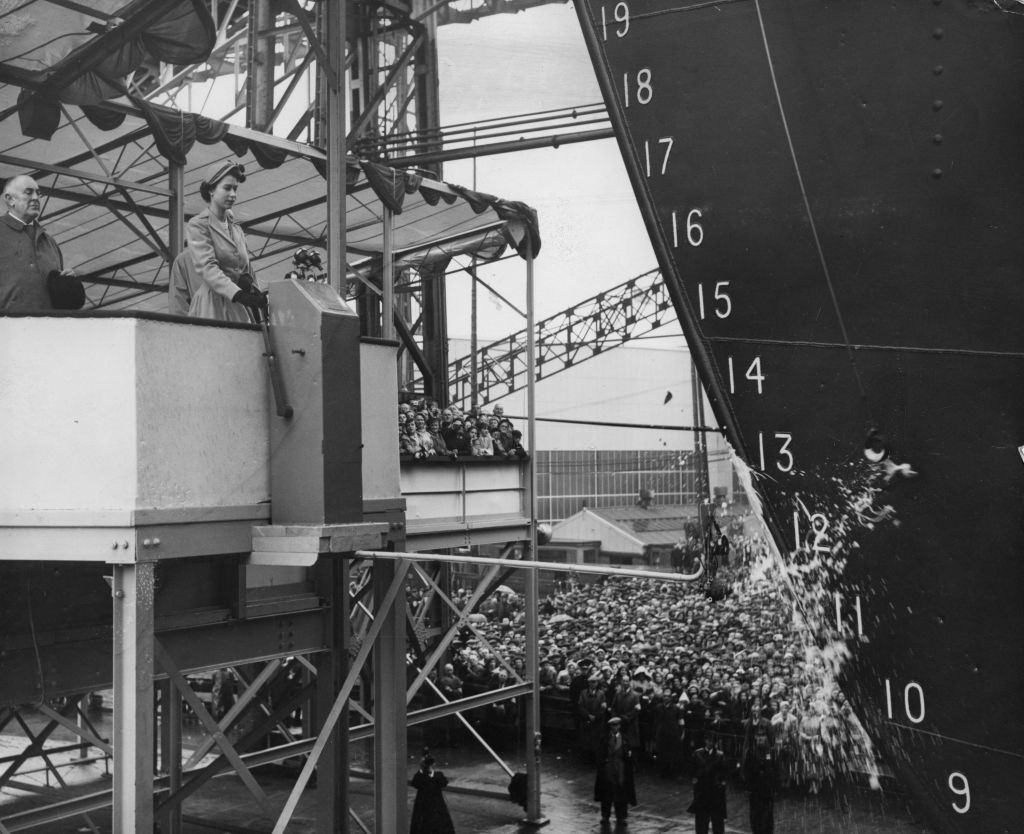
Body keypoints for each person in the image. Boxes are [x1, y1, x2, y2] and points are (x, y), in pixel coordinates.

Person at [186, 161, 265, 323]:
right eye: (227, 188)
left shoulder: (236, 230)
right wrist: (239, 294)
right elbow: (208, 268)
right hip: (211, 306)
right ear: (211, 190)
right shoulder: (198, 225)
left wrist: (253, 288)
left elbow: (247, 269)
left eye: (235, 189)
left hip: (239, 307)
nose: (233, 194)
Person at [0, 174, 76, 312]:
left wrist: (66, 282)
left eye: (38, 193)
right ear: (10, 199)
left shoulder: (50, 242)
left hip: (47, 327)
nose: (36, 198)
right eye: (28, 192)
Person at [594, 716, 636, 824]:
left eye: (617, 725)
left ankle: (621, 817)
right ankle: (605, 816)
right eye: (613, 725)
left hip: (621, 770)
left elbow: (630, 755)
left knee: (621, 795)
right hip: (608, 769)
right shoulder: (605, 739)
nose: (615, 727)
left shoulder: (625, 739)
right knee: (606, 794)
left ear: (620, 726)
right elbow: (600, 754)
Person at [688, 732, 729, 834]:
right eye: (708, 740)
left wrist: (721, 785)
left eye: (712, 741)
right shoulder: (697, 753)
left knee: (717, 822)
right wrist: (695, 781)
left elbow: (724, 773)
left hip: (715, 792)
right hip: (702, 792)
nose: (710, 742)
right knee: (701, 822)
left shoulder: (720, 755)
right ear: (705, 740)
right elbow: (692, 769)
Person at [409, 754, 455, 834]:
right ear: (433, 764)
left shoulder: (420, 776)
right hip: (437, 803)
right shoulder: (438, 775)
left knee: (422, 822)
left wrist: (421, 771)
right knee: (439, 821)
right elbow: (444, 783)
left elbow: (414, 783)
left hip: (422, 804)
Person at [168, 246, 202, 316]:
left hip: (202, 323)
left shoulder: (184, 259)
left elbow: (177, 309)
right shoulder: (184, 260)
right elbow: (178, 309)